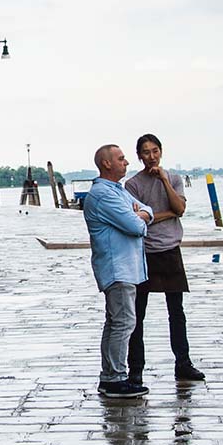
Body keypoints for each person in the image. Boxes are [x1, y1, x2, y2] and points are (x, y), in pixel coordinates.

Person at [124, 134, 205, 383]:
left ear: (161, 152)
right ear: (139, 156)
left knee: (176, 312)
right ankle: (135, 370)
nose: (151, 156)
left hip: (170, 249)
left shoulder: (174, 178)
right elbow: (137, 218)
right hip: (144, 252)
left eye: (155, 151)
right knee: (137, 315)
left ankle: (183, 363)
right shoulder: (133, 185)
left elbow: (179, 209)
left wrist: (163, 182)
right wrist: (165, 213)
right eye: (146, 152)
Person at [83, 144, 153, 398]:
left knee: (117, 322)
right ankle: (114, 378)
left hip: (127, 267)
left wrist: (143, 214)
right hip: (117, 267)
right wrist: (140, 217)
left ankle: (111, 376)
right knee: (122, 322)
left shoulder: (118, 191)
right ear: (107, 164)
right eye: (121, 159)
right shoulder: (104, 195)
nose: (127, 162)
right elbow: (135, 226)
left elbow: (149, 210)